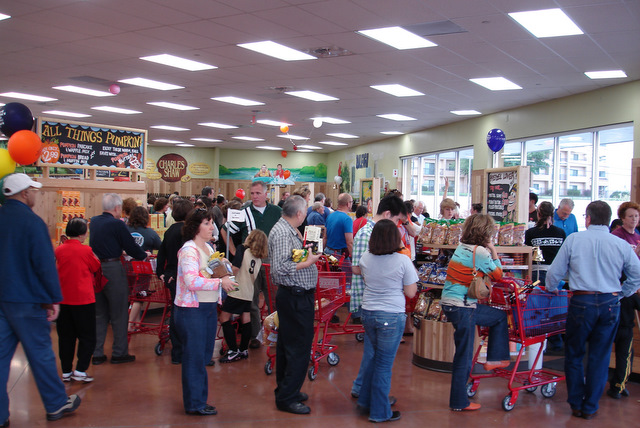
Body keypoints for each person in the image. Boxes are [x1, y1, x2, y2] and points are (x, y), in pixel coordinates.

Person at [546, 201, 640, 420]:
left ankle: (576, 402)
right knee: (600, 355)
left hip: (581, 303)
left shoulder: (574, 240)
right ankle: (590, 407)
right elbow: (636, 273)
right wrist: (623, 292)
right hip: (610, 304)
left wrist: (551, 290)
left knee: (575, 354)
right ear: (608, 220)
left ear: (587, 218)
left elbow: (554, 274)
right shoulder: (620, 244)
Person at [0, 173, 81, 423]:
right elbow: (45, 265)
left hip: (3, 299)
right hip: (29, 301)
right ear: (25, 193)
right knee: (41, 354)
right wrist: (53, 299)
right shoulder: (32, 223)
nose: (36, 194)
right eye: (33, 190)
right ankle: (56, 403)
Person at [440, 214, 508, 412]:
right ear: (486, 233)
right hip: (463, 307)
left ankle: (495, 360)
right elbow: (498, 274)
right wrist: (493, 249)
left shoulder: (461, 247)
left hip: (450, 304)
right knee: (463, 355)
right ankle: (459, 402)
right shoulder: (481, 253)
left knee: (497, 317)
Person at [174, 208, 236, 416]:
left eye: (212, 223)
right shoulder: (188, 250)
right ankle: (194, 403)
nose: (212, 227)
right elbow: (192, 282)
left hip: (208, 308)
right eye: (207, 223)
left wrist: (223, 268)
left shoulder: (209, 249)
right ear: (195, 227)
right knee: (194, 357)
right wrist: (221, 281)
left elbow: (210, 271)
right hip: (192, 311)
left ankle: (199, 400)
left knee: (203, 356)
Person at [356, 219, 418, 422]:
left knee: (374, 359)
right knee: (383, 364)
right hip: (391, 315)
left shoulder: (366, 257)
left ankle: (365, 401)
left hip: (368, 312)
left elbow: (366, 278)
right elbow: (410, 292)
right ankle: (380, 412)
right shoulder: (402, 261)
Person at [268, 195, 322, 415]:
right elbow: (279, 269)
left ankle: (286, 390)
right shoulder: (282, 233)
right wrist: (308, 263)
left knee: (287, 346)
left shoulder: (288, 230)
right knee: (298, 347)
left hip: (296, 296)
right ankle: (287, 398)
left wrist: (307, 255)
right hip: (295, 297)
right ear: (299, 214)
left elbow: (290, 259)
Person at [350, 195, 408, 398]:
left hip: (377, 301)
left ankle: (363, 390)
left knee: (374, 352)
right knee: (375, 354)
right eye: (396, 220)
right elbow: (357, 268)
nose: (397, 226)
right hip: (371, 300)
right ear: (386, 215)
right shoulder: (367, 233)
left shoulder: (373, 232)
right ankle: (363, 390)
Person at [90, 193, 147, 365]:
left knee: (99, 313)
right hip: (113, 269)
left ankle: (97, 353)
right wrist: (143, 256)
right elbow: (131, 246)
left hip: (96, 268)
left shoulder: (94, 221)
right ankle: (119, 352)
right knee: (119, 312)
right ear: (117, 208)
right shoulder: (117, 224)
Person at [227, 181, 282, 348]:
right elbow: (225, 230)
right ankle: (255, 336)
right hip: (250, 260)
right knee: (251, 300)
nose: (254, 196)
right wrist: (236, 253)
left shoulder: (277, 211)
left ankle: (276, 334)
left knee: (274, 298)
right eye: (252, 193)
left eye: (258, 193)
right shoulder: (244, 211)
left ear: (266, 194)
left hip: (271, 259)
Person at [55, 217, 101, 383]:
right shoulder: (86, 251)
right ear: (83, 234)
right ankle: (81, 369)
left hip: (63, 299)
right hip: (83, 299)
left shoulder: (59, 250)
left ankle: (66, 370)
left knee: (65, 337)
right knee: (87, 336)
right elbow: (96, 267)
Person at [219, 229, 269, 363]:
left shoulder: (242, 249)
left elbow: (235, 268)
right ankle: (243, 350)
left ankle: (233, 350)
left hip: (237, 290)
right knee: (246, 318)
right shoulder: (258, 258)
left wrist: (225, 269)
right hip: (249, 291)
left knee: (224, 317)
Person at [608, 201, 640, 399]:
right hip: (619, 293)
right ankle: (616, 382)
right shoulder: (616, 237)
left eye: (636, 216)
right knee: (620, 337)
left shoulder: (637, 236)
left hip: (632, 291)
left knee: (625, 340)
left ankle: (620, 382)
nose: (634, 220)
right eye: (631, 216)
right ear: (622, 218)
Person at [156, 198, 194, 365]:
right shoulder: (186, 232)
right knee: (186, 314)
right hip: (183, 275)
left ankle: (177, 351)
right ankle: (184, 350)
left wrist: (160, 273)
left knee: (176, 311)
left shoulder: (170, 230)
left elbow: (161, 253)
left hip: (171, 274)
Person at [525, 202, 566, 285]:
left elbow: (527, 254)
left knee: (537, 296)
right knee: (554, 297)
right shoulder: (561, 233)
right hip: (556, 272)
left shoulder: (531, 232)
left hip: (537, 272)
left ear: (538, 214)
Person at [324, 193, 354, 260]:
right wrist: (355, 259)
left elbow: (325, 237)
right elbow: (349, 242)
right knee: (349, 270)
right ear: (348, 204)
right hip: (339, 255)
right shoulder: (347, 219)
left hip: (328, 252)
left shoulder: (330, 216)